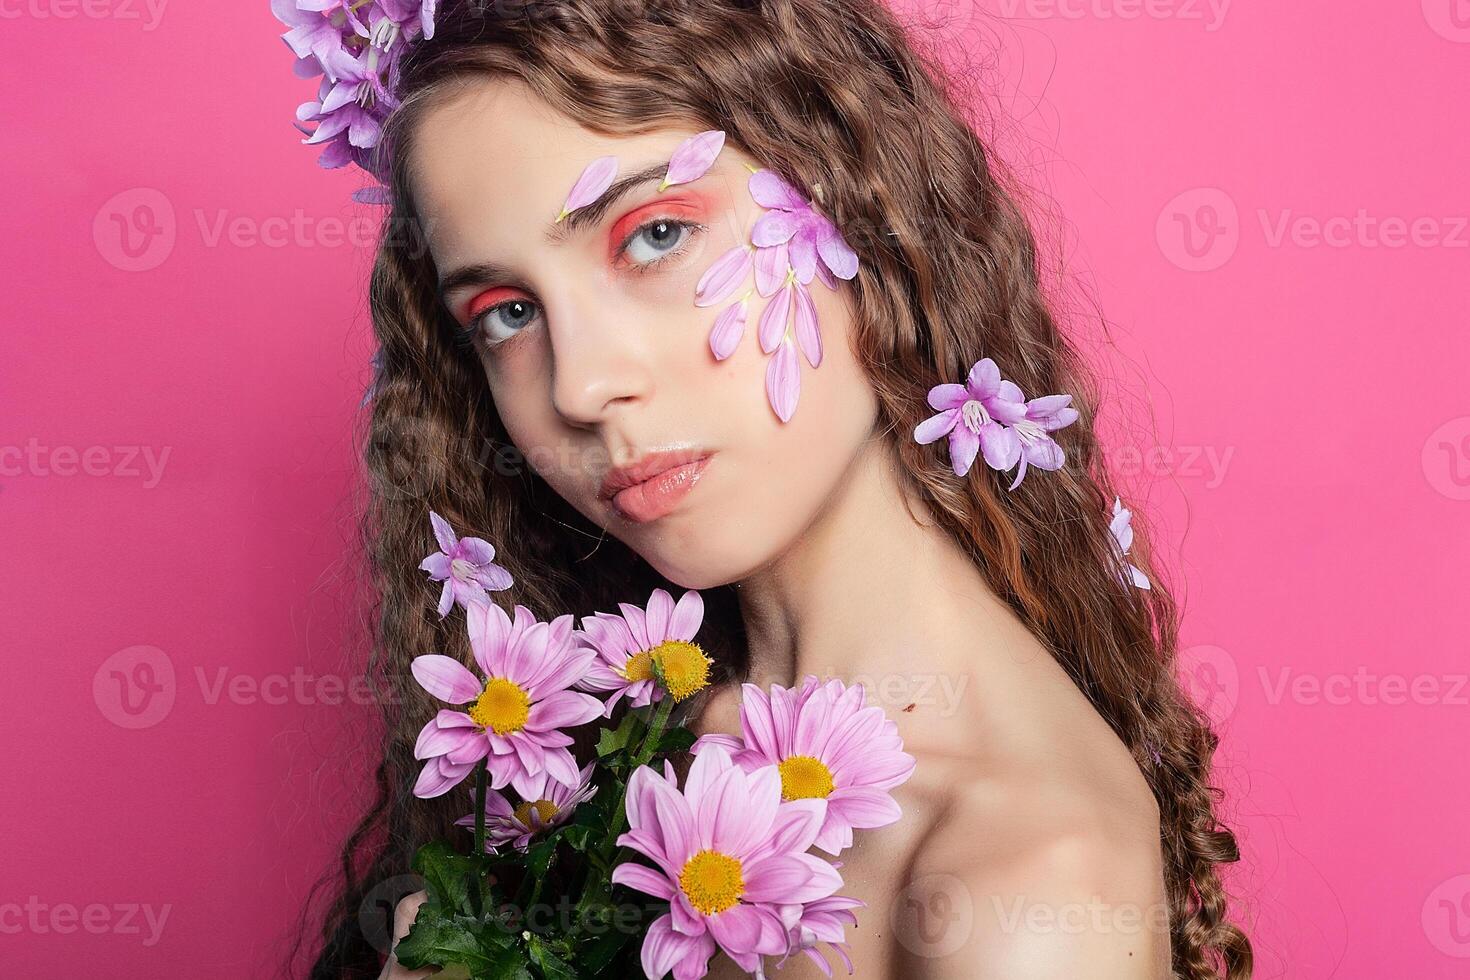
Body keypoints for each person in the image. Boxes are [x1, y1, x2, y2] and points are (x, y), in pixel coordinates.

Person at [299, 1, 1252, 976]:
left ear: (860, 201)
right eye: (505, 312)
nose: (581, 385)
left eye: (658, 234)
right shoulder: (619, 738)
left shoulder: (1025, 880)